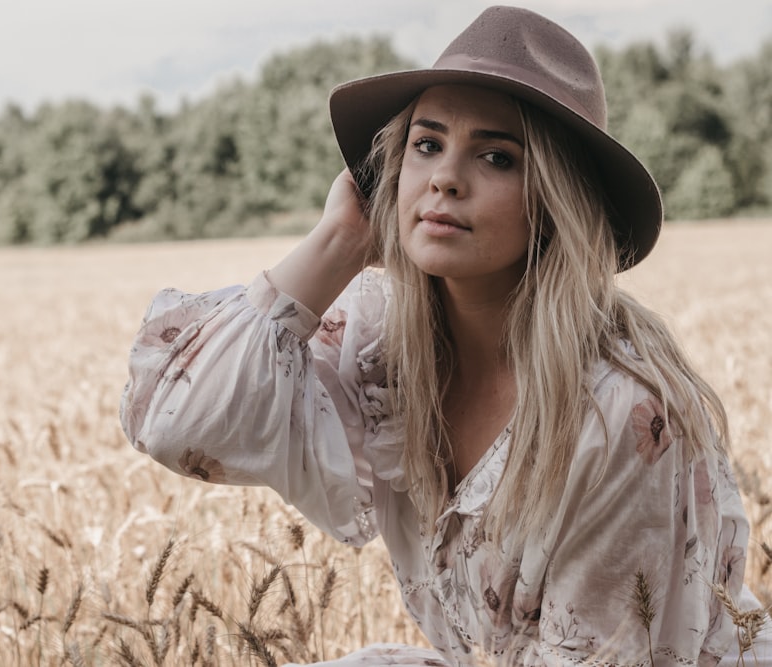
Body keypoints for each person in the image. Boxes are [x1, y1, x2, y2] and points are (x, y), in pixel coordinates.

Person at [121, 5, 771, 665]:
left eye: (496, 156)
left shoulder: (623, 415)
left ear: (554, 197)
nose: (445, 177)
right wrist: (339, 241)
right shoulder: (381, 347)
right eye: (426, 144)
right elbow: (177, 422)